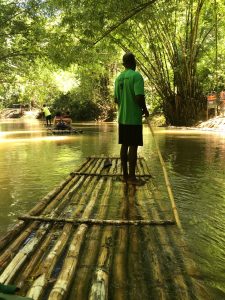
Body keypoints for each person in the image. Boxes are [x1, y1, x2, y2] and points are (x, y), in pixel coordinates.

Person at [114, 52, 149, 185]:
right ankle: (132, 178)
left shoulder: (118, 79)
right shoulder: (136, 76)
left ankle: (125, 176)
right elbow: (139, 97)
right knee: (133, 146)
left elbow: (116, 99)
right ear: (133, 62)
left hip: (122, 117)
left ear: (124, 64)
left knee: (124, 145)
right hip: (133, 118)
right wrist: (145, 110)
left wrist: (124, 105)